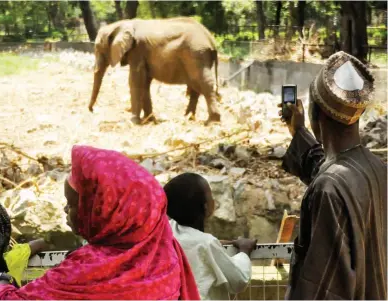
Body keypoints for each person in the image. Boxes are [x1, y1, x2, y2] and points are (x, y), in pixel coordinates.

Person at [0, 145, 200, 300]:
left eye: (72, 204)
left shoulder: (81, 273)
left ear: (105, 209)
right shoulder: (165, 256)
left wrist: (0, 286)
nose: (66, 210)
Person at [279, 51, 387, 300]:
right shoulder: (378, 170)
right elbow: (328, 170)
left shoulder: (329, 189)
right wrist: (298, 131)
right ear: (357, 116)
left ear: (316, 113)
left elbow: (323, 288)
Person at [164, 173, 256, 300]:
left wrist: (217, 243)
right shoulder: (207, 244)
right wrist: (244, 251)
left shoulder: (167, 233)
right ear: (206, 207)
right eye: (210, 195)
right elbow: (238, 280)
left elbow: (189, 241)